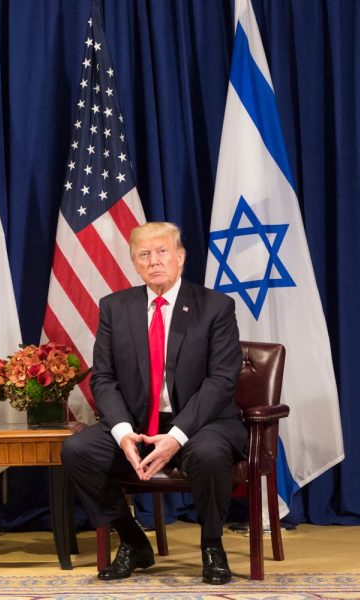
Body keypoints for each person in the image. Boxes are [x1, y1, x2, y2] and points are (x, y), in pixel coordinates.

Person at [61, 222, 246, 585]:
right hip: (139, 423)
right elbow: (103, 377)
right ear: (134, 262)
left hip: (201, 423)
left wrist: (177, 435)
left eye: (163, 252)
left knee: (208, 454)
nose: (154, 261)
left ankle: (212, 544)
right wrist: (122, 432)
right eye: (144, 254)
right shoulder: (115, 307)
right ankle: (132, 540)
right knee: (77, 450)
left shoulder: (216, 307)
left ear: (180, 257)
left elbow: (222, 380)